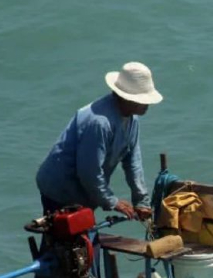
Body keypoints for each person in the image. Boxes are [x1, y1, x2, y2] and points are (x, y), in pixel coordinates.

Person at [35, 61, 163, 220]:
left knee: (83, 239)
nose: (147, 104)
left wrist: (141, 201)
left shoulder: (132, 119)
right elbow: (89, 172)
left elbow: (133, 161)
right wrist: (111, 201)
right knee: (69, 239)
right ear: (127, 98)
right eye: (143, 99)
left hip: (85, 192)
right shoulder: (99, 123)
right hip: (60, 189)